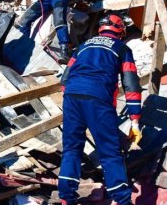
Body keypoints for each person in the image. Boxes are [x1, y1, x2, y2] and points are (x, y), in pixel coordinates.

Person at [58, 14, 142, 205]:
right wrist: (134, 120)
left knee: (71, 148)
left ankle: (66, 198)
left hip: (71, 97)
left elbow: (64, 81)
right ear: (120, 31)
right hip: (98, 100)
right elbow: (131, 84)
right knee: (110, 152)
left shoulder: (82, 46)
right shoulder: (122, 48)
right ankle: (122, 200)